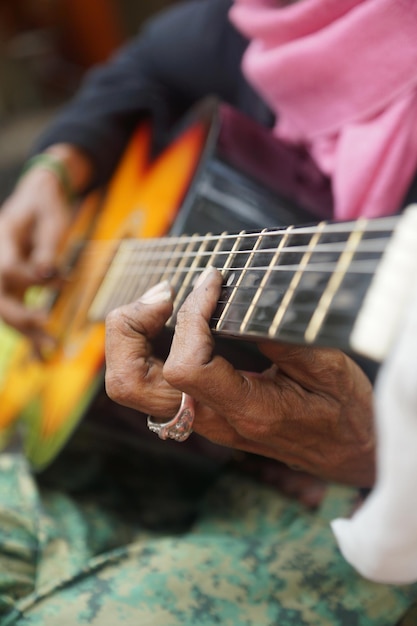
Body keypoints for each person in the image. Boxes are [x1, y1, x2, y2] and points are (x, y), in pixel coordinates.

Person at [0, 0, 417, 624]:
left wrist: (373, 455)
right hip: (200, 468)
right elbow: (144, 67)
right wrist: (55, 171)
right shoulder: (278, 19)